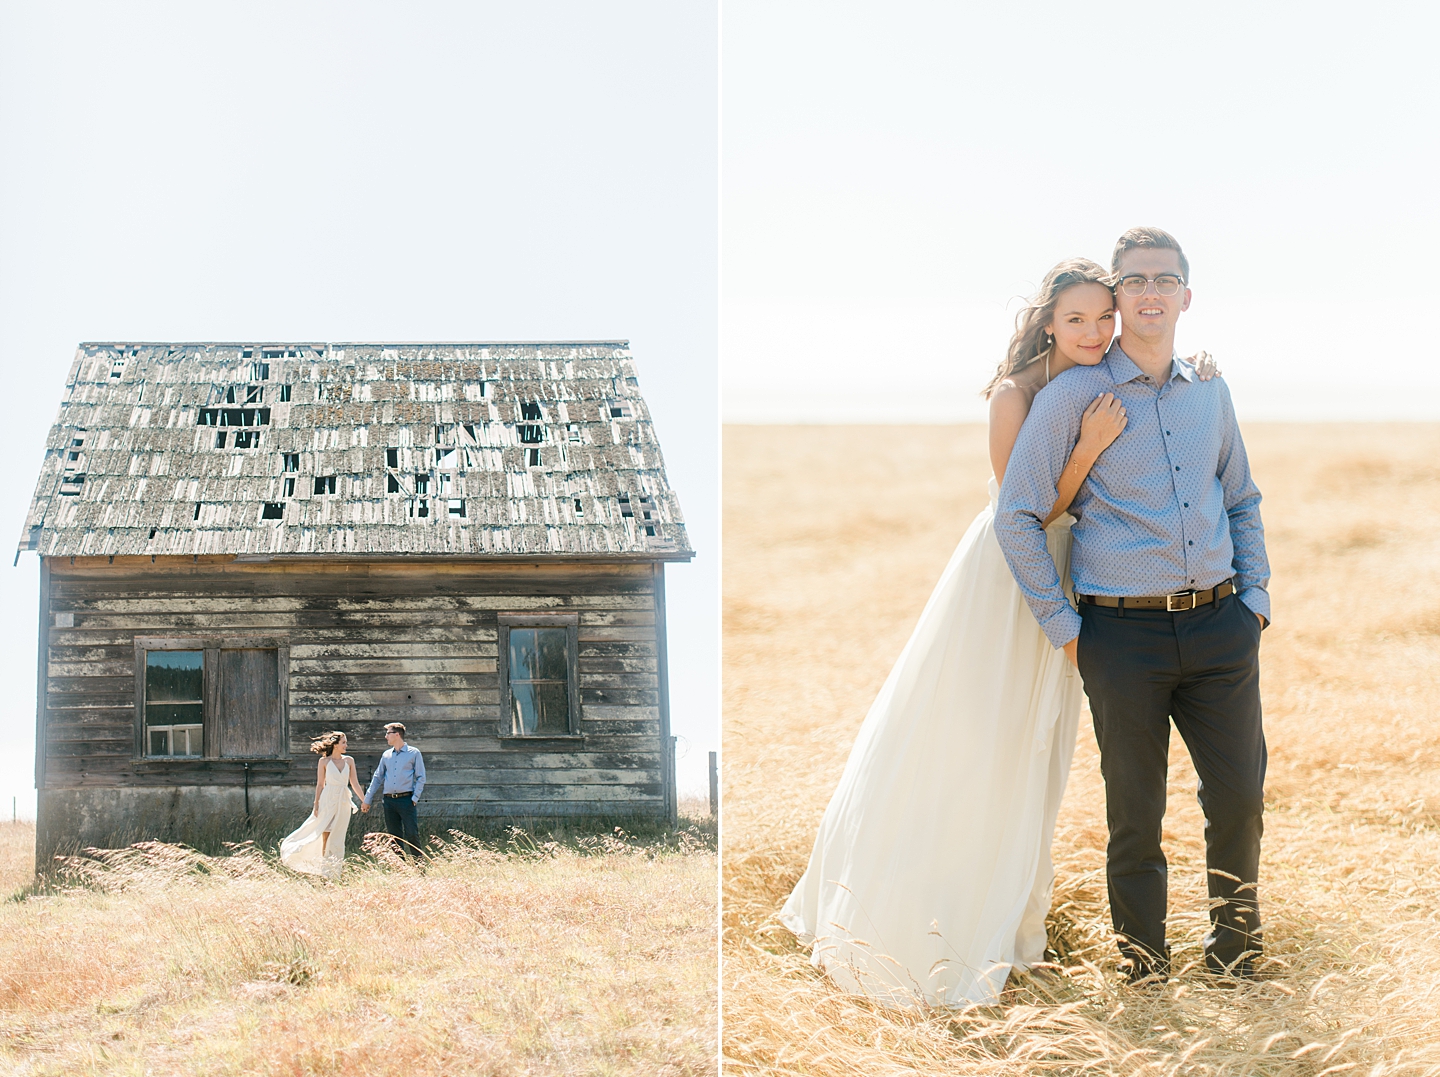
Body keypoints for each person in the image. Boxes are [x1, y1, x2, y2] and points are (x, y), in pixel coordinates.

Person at [780, 257, 1220, 1007]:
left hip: (1075, 576)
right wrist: (1085, 451)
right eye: (1076, 319)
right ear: (1046, 320)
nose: (1093, 332)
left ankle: (1013, 920)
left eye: (1102, 318)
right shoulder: (1016, 396)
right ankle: (920, 921)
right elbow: (1027, 511)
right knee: (974, 741)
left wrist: (1199, 362)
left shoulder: (1103, 382)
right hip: (1008, 579)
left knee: (1035, 749)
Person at [994, 227, 1269, 985]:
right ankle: (1146, 971)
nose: (1150, 291)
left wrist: (1257, 601)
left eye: (1165, 279)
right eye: (1135, 279)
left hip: (1221, 627)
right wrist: (1068, 632)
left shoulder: (1210, 388)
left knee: (1241, 800)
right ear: (1117, 294)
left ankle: (1237, 956)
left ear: (1186, 296)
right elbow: (1015, 514)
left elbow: (1241, 497)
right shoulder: (1073, 395)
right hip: (1121, 634)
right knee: (1135, 819)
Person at [279, 731, 367, 880]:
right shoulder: (324, 762)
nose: (346, 745)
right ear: (335, 744)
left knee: (338, 836)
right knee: (325, 834)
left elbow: (354, 783)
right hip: (328, 800)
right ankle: (325, 871)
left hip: (343, 801)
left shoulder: (349, 761)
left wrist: (364, 800)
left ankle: (335, 872)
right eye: (344, 742)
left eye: (346, 742)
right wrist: (316, 804)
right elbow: (320, 784)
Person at [362, 722, 426, 858]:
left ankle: (419, 867)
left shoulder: (414, 753)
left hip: (406, 800)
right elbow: (377, 777)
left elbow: (421, 777)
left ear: (397, 735)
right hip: (389, 801)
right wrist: (367, 799)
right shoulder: (386, 755)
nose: (386, 737)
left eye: (388, 733)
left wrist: (414, 798)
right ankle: (401, 868)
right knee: (394, 837)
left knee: (412, 834)